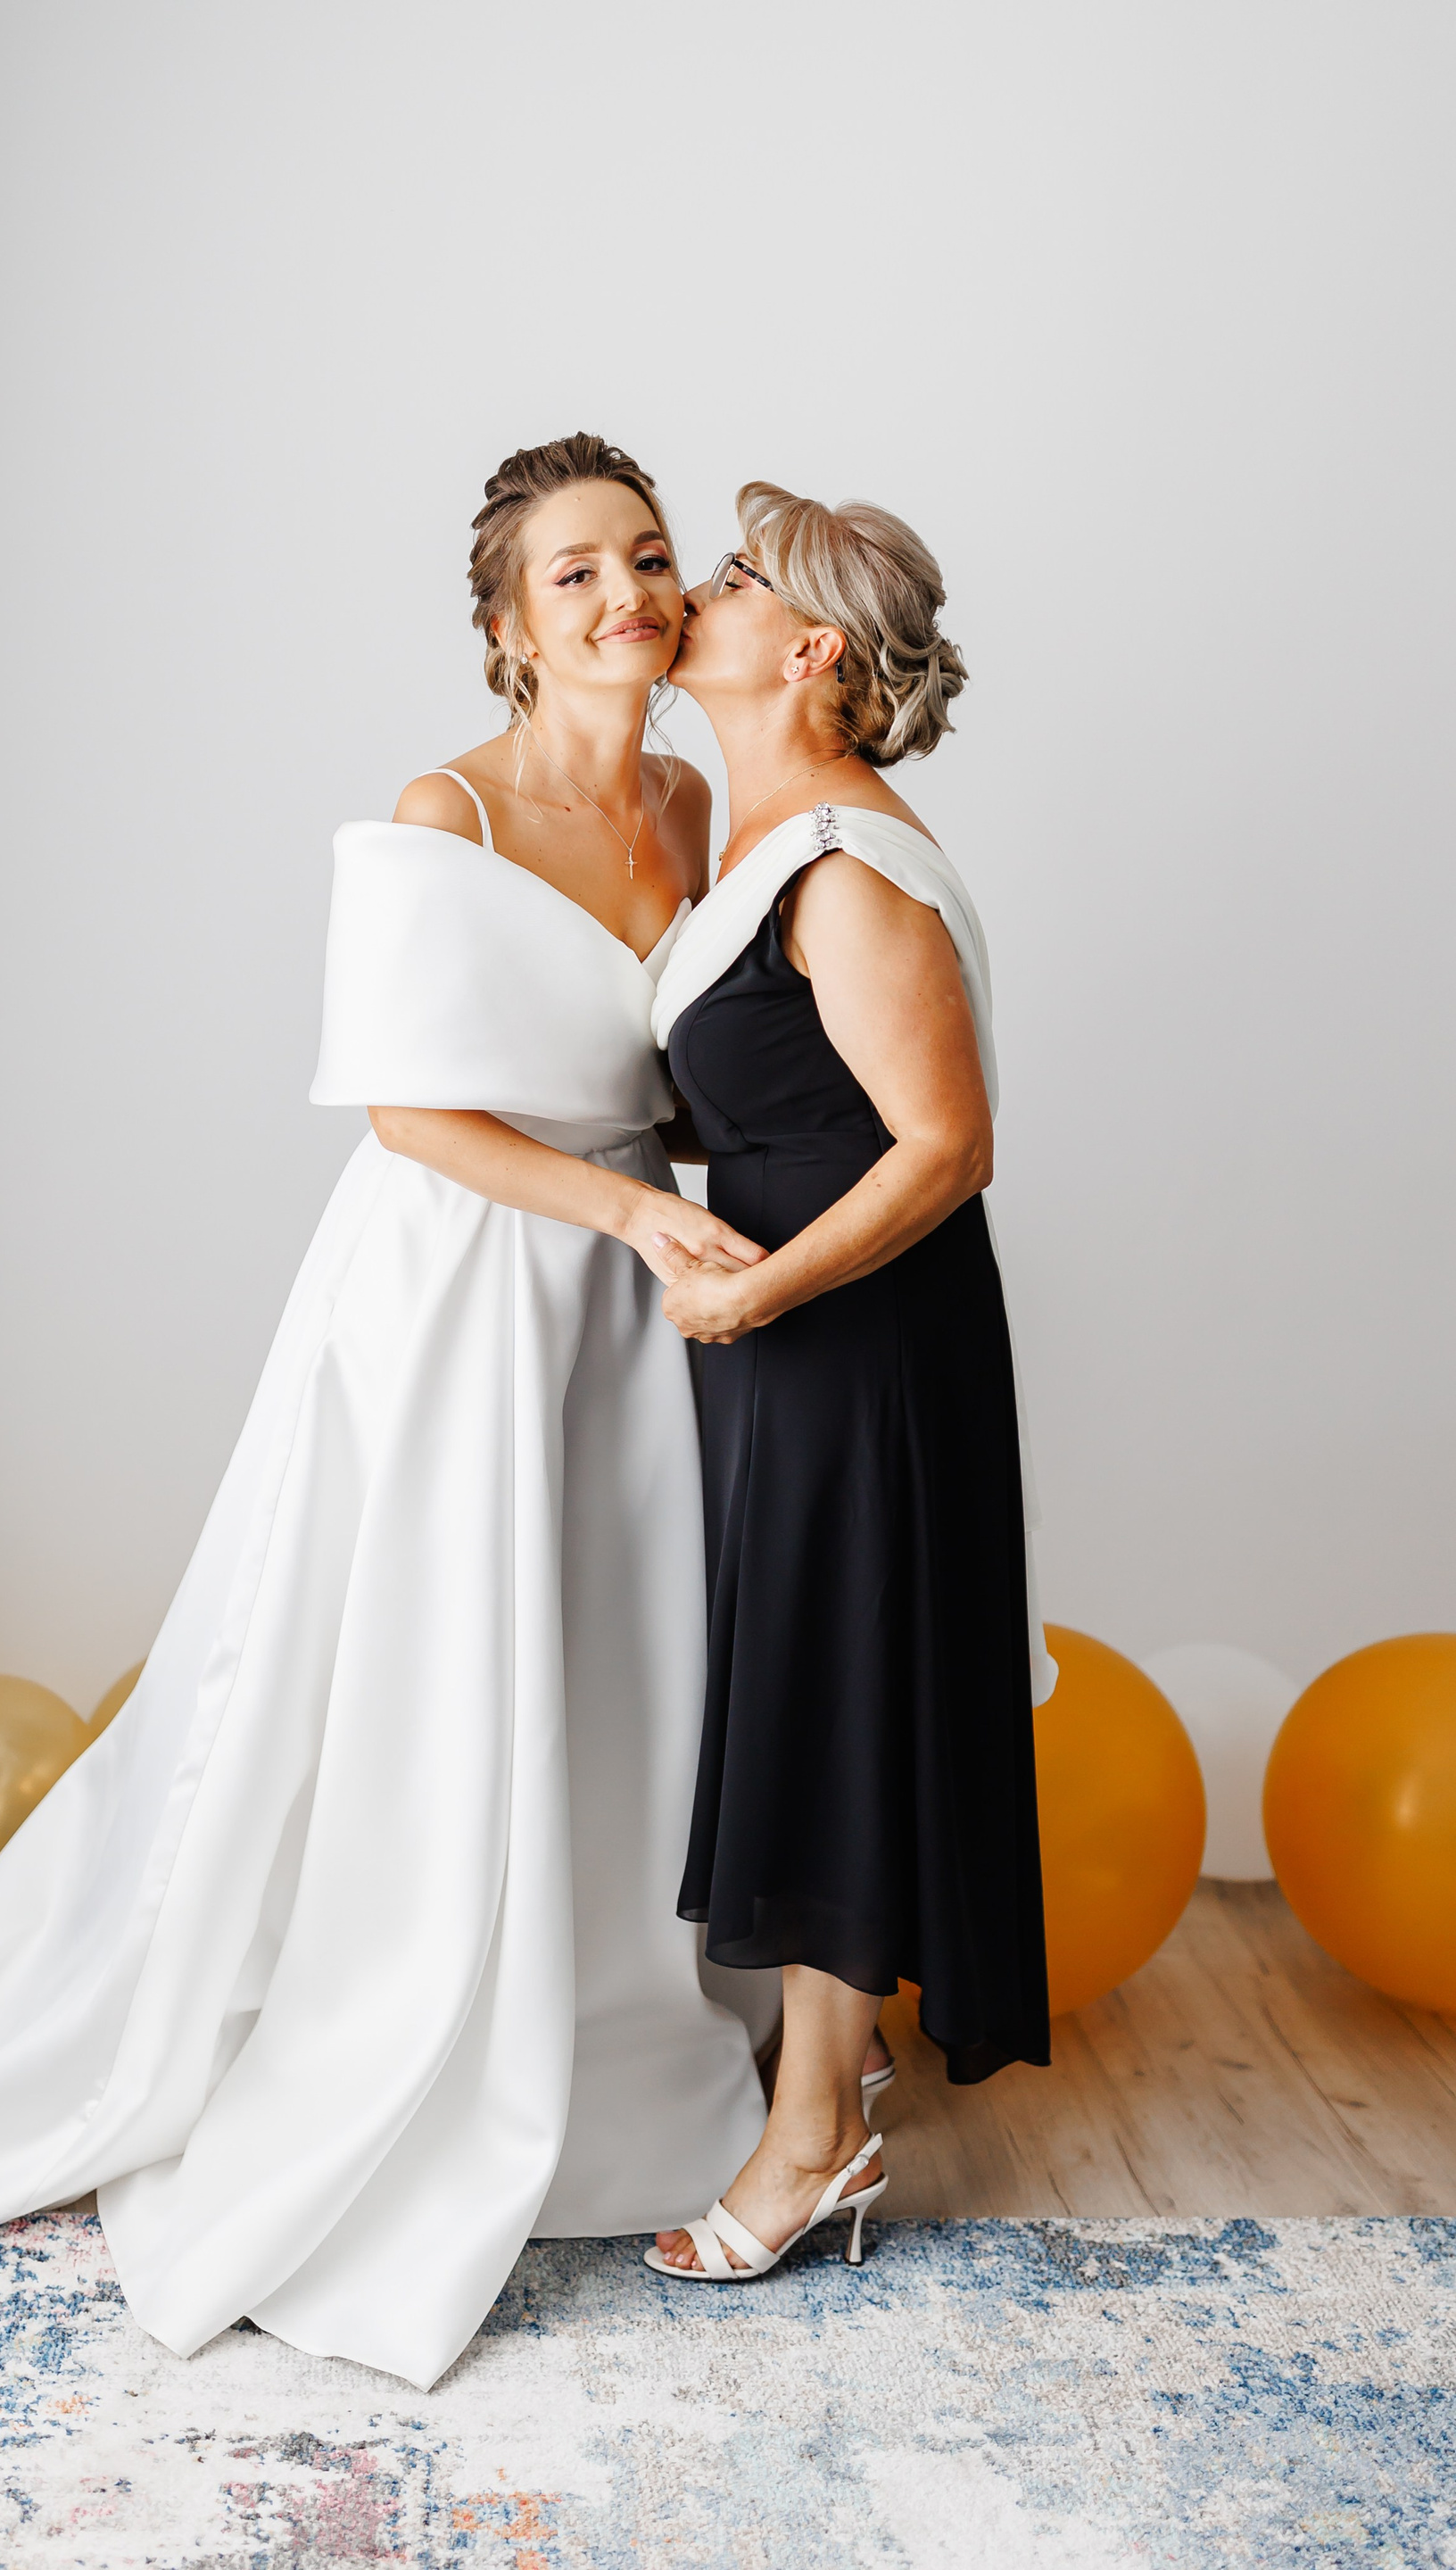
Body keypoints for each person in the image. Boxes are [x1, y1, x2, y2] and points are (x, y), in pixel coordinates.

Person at [0, 435, 769, 2387]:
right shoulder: (444, 811)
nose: (626, 596)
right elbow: (410, 1109)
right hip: (467, 1279)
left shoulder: (693, 796)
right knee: (431, 1660)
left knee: (613, 1652)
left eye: (650, 557)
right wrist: (625, 1214)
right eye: (575, 572)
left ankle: (611, 2025)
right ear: (509, 625)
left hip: (636, 1293)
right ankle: (391, 2022)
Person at [641, 483, 1055, 2283]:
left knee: (837, 1700)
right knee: (819, 1683)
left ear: (808, 648)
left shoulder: (844, 867)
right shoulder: (763, 837)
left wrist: (758, 1292)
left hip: (857, 1336)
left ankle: (812, 2142)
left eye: (733, 577)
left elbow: (947, 1146)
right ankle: (836, 2065)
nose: (695, 590)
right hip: (799, 1335)